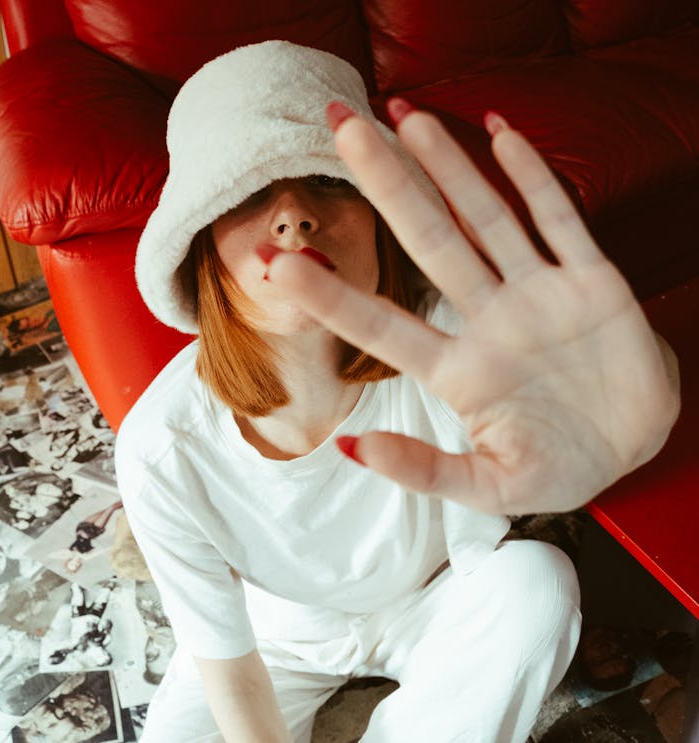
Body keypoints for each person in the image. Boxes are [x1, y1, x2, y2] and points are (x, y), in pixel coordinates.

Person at [115, 41, 678, 742]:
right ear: (203, 245)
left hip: (435, 596)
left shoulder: (451, 337)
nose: (293, 215)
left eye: (328, 181)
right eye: (252, 192)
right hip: (278, 632)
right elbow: (232, 671)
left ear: (381, 216)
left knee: (538, 584)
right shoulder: (158, 447)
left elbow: (598, 399)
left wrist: (636, 391)